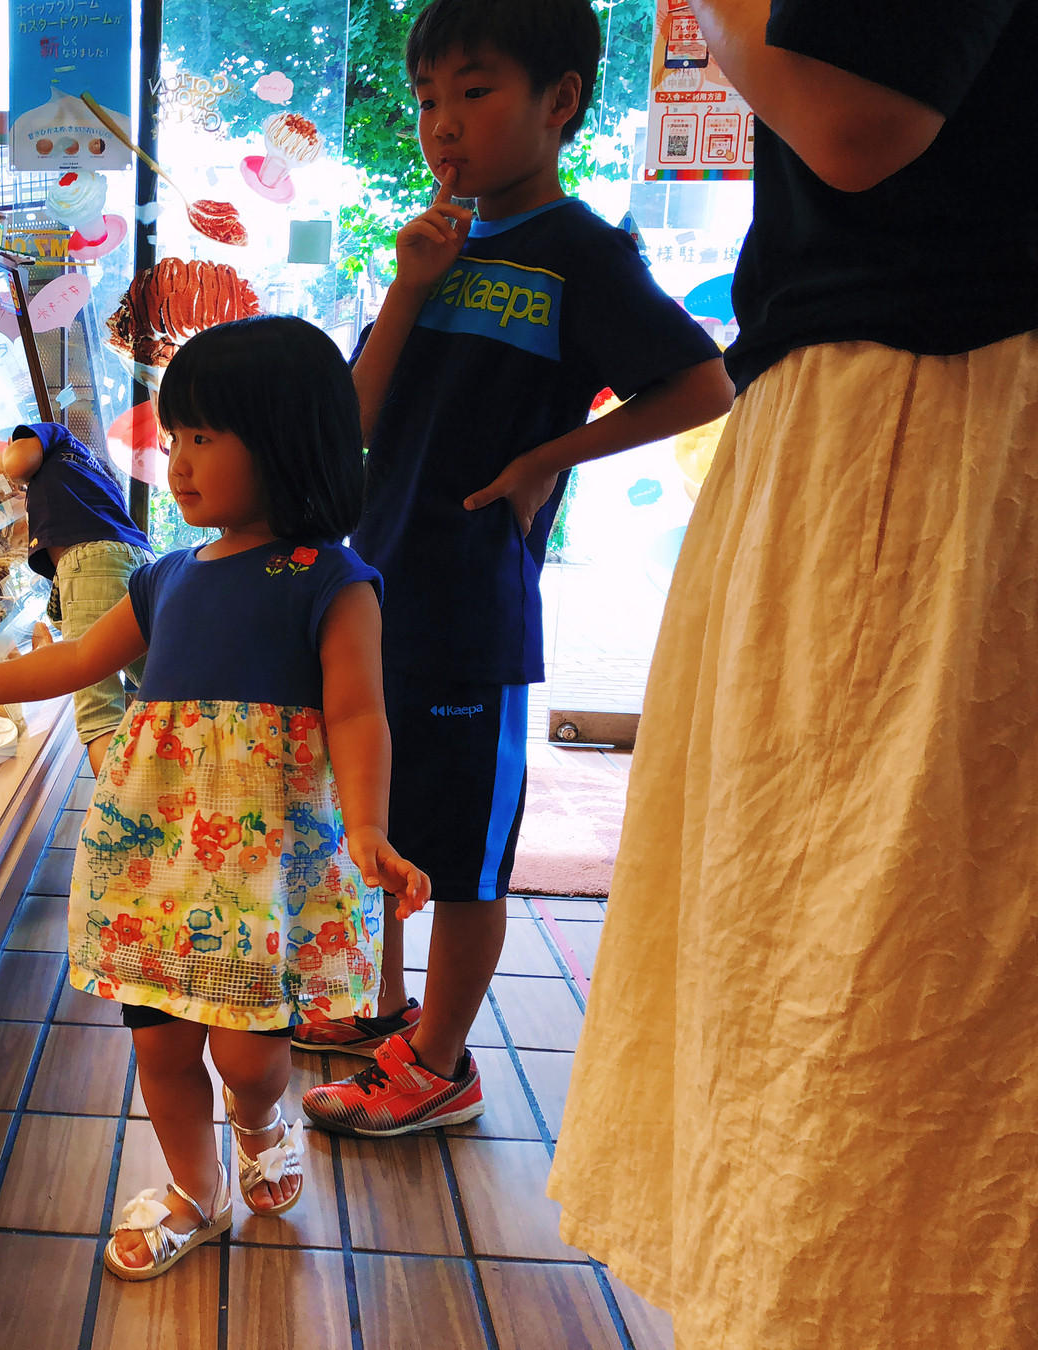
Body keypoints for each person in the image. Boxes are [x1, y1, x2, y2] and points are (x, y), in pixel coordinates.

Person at [547, 1, 1038, 1345]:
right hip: (909, 415)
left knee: (858, 972)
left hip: (926, 423)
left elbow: (859, 115)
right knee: (848, 967)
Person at [0, 316, 431, 1281]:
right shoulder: (167, 577)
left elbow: (358, 717)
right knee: (161, 1049)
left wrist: (370, 828)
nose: (178, 464)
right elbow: (76, 658)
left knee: (250, 1056)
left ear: (288, 442)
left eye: (205, 439)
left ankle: (261, 1120)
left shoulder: (333, 581)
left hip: (263, 869)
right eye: (176, 438)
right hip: (152, 858)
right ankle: (195, 1189)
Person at [297, 0, 733, 1136]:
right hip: (374, 589)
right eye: (429, 100)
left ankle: (439, 1064)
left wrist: (551, 455)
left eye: (474, 93)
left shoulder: (582, 253)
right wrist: (406, 283)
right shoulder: (436, 247)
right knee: (379, 818)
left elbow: (699, 384)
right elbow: (348, 418)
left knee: (469, 852)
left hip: (471, 606)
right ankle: (381, 1007)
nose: (443, 126)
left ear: (560, 101)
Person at [0, 420, 152, 774]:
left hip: (93, 564)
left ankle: (120, 815)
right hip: (135, 560)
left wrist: (11, 458)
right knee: (159, 680)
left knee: (99, 709)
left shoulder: (56, 434)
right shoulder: (87, 469)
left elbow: (17, 463)